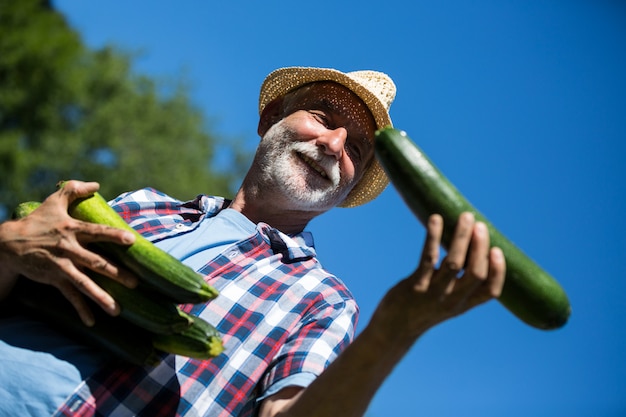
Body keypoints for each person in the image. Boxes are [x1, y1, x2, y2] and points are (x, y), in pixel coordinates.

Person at [0, 66, 506, 417]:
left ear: (349, 188)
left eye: (355, 149)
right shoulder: (139, 205)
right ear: (270, 119)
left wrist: (393, 332)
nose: (332, 145)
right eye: (325, 119)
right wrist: (9, 245)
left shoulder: (323, 302)